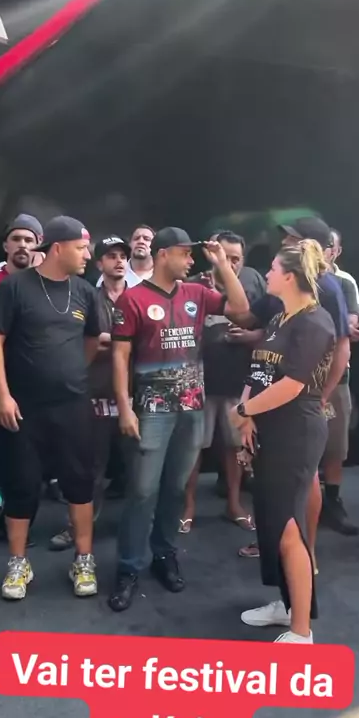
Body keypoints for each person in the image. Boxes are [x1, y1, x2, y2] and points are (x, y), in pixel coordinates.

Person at [108, 227, 250, 612]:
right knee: (142, 491)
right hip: (151, 410)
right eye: (185, 254)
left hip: (191, 408)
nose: (191, 261)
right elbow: (119, 356)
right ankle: (128, 567)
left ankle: (164, 555)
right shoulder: (133, 298)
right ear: (164, 254)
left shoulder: (197, 294)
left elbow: (240, 309)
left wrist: (222, 265)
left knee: (175, 488)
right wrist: (124, 406)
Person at [0, 216, 101, 601]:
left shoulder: (84, 291)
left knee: (79, 483)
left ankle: (83, 559)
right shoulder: (15, 287)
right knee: (21, 485)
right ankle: (18, 563)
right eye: (81, 248)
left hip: (72, 406)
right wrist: (3, 395)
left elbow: (91, 342)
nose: (87, 255)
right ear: (58, 248)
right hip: (23, 408)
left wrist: (68, 374)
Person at [230, 239, 336, 644]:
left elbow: (292, 385)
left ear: (290, 276)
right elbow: (258, 374)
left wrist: (244, 410)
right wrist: (246, 417)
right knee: (273, 523)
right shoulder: (279, 320)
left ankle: (301, 630)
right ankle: (287, 604)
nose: (267, 274)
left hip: (296, 430)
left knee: (289, 525)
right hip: (268, 426)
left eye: (273, 268)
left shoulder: (315, 322)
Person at [49, 235, 132, 551]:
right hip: (95, 393)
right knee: (90, 468)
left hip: (134, 396)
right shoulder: (86, 296)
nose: (119, 261)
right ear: (99, 263)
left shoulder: (139, 296)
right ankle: (77, 528)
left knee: (139, 467)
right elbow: (80, 340)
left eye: (122, 256)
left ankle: (142, 526)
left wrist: (110, 339)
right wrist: (118, 340)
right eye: (111, 256)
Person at [181, 230, 263, 532]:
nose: (229, 263)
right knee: (193, 447)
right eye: (223, 257)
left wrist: (251, 336)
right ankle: (188, 506)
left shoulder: (253, 282)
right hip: (197, 380)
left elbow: (268, 326)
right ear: (210, 254)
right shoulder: (192, 284)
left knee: (234, 446)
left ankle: (234, 504)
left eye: (236, 258)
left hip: (236, 380)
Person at [0, 214, 43, 532]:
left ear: (39, 245)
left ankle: (15, 526)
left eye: (29, 240)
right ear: (5, 245)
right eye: (16, 239)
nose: (22, 245)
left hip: (31, 390)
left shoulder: (47, 281)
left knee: (27, 466)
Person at [96, 224, 154, 288]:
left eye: (146, 239)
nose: (141, 241)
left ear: (155, 245)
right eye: (136, 238)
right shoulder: (109, 276)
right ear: (130, 244)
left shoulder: (161, 273)